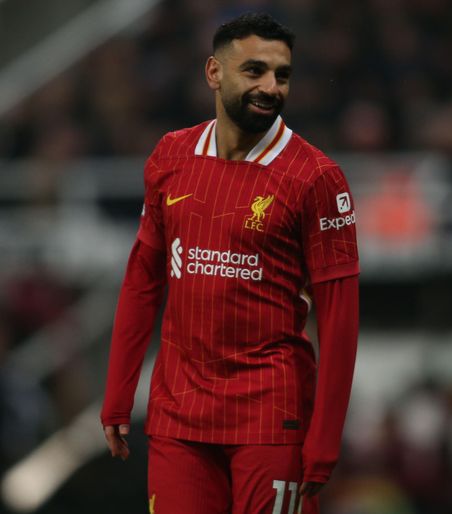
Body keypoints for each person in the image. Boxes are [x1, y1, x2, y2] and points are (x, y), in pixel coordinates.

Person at [100, 12, 359, 514]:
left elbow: (341, 318)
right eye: (255, 71)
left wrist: (324, 441)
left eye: (282, 75)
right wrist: (118, 392)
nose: (271, 87)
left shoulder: (316, 177)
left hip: (271, 416)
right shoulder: (171, 156)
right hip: (180, 415)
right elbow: (142, 280)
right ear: (214, 73)